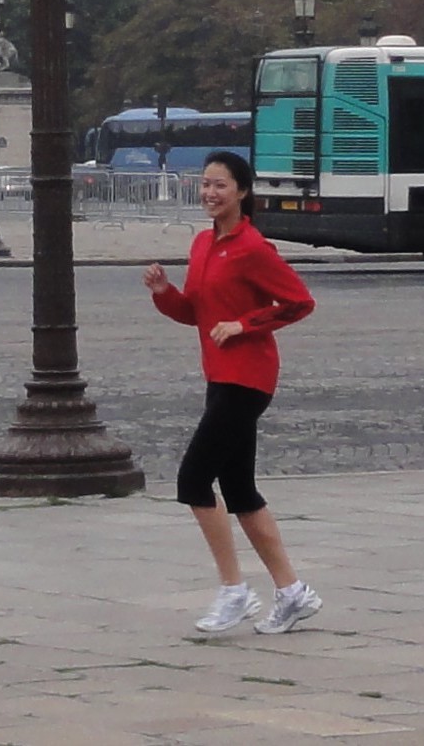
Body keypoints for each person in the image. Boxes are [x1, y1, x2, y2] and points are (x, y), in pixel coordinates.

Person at [143, 149, 322, 636]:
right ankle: (291, 592)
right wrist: (164, 293)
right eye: (205, 184)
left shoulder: (253, 248)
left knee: (193, 480)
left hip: (249, 378)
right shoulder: (203, 244)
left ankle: (234, 590)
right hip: (219, 377)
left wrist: (243, 324)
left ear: (242, 192)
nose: (209, 193)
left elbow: (298, 302)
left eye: (220, 185)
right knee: (240, 490)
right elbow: (195, 314)